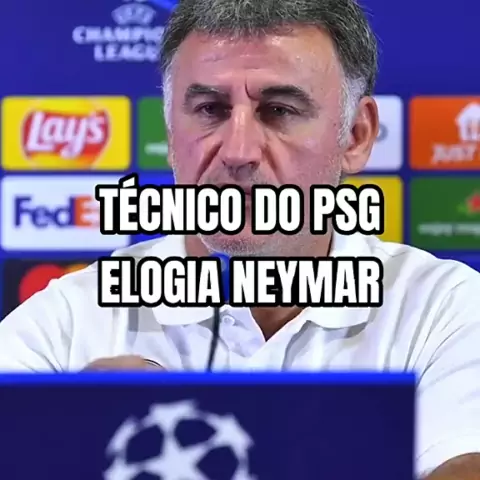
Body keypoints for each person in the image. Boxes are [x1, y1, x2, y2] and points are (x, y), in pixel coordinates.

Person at [1, 0, 480, 477]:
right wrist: (72, 446)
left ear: (356, 135)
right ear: (170, 132)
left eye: (279, 110)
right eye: (210, 109)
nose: (238, 151)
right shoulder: (67, 321)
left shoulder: (442, 309)